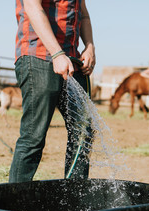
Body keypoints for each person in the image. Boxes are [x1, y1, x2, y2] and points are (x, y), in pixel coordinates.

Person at [9, 0, 95, 183]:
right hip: (39, 56)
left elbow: (84, 14)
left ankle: (75, 197)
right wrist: (57, 53)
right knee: (34, 135)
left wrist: (89, 46)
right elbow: (33, 7)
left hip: (72, 58)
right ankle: (15, 201)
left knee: (83, 132)